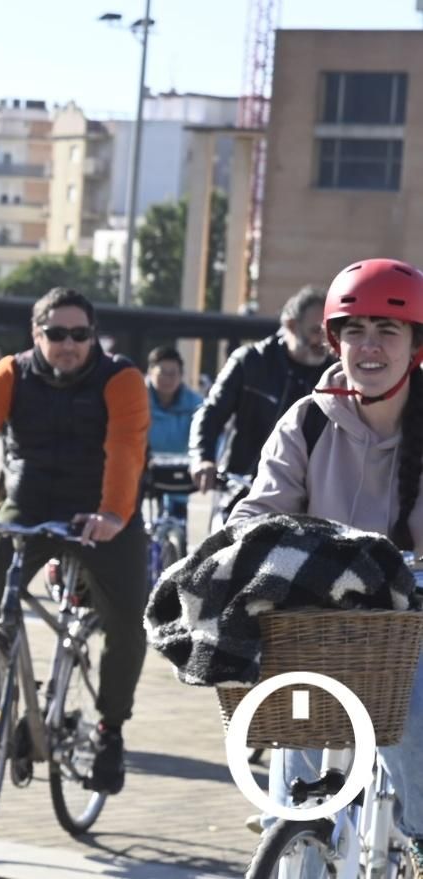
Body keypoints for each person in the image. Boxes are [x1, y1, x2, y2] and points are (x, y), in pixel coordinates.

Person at [229, 259, 423, 860]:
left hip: (410, 623)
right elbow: (255, 514)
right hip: (324, 625)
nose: (369, 346)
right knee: (294, 748)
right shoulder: (308, 422)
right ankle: (289, 840)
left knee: (408, 728)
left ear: (416, 347)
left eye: (388, 331)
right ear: (334, 341)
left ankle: (417, 839)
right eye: (354, 330)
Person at [0, 287, 150, 795]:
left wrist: (113, 513)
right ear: (36, 335)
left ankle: (111, 730)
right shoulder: (9, 374)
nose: (68, 344)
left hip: (104, 513)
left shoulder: (122, 379)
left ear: (94, 336)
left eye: (80, 335)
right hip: (31, 504)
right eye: (56, 334)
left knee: (127, 621)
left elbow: (126, 448)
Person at [190, 285, 331, 516]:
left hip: (307, 501)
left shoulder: (335, 375)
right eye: (316, 330)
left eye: (329, 332)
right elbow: (212, 411)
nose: (324, 341)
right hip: (244, 490)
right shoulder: (250, 361)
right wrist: (203, 458)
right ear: (291, 325)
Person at [145, 345, 203, 522]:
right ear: (150, 372)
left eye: (173, 373)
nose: (168, 379)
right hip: (144, 468)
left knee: (178, 522)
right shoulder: (136, 398)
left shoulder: (196, 402)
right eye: (162, 372)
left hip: (180, 470)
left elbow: (207, 432)